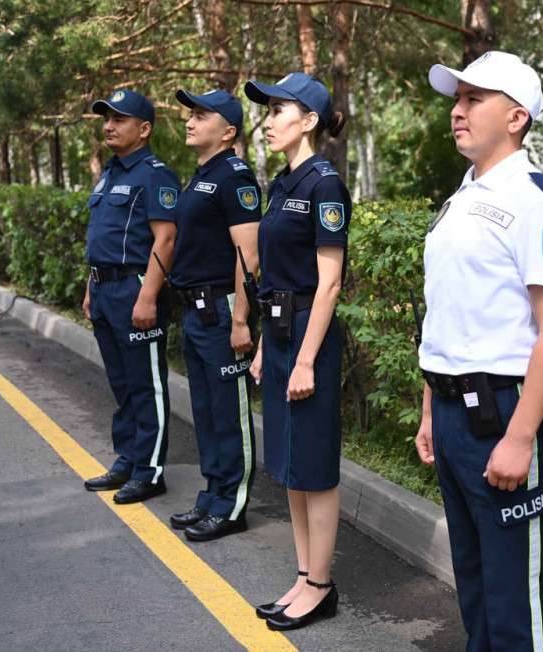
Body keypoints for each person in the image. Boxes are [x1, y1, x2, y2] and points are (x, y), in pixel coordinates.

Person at [415, 51, 543, 652]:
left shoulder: (538, 202)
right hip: (455, 409)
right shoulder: (461, 196)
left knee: (513, 594)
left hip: (503, 416)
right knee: (475, 580)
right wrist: (433, 409)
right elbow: (450, 315)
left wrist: (519, 437)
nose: (457, 112)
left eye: (472, 100)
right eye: (456, 100)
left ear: (515, 117)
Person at [244, 72, 349, 631]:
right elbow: (277, 275)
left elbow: (328, 283)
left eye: (277, 110)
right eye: (266, 111)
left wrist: (306, 357)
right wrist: (267, 342)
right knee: (288, 464)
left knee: (314, 465)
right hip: (281, 329)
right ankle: (304, 573)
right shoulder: (282, 184)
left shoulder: (323, 185)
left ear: (308, 121)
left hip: (310, 333)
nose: (267, 120)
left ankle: (322, 584)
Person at [166, 88, 261, 541]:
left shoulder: (235, 177)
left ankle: (233, 504)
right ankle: (212, 495)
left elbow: (248, 254)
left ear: (227, 131)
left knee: (229, 411)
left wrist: (240, 319)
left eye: (201, 116)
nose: (190, 121)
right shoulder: (201, 174)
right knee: (205, 409)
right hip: (195, 310)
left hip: (222, 308)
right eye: (190, 114)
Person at [83, 89, 180, 504]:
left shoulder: (154, 174)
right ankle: (127, 459)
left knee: (146, 385)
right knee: (122, 385)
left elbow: (167, 238)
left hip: (135, 290)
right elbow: (101, 239)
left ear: (144, 129)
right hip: (104, 290)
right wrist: (91, 288)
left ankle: (150, 470)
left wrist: (147, 298)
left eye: (119, 119)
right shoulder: (111, 172)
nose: (109, 125)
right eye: (106, 118)